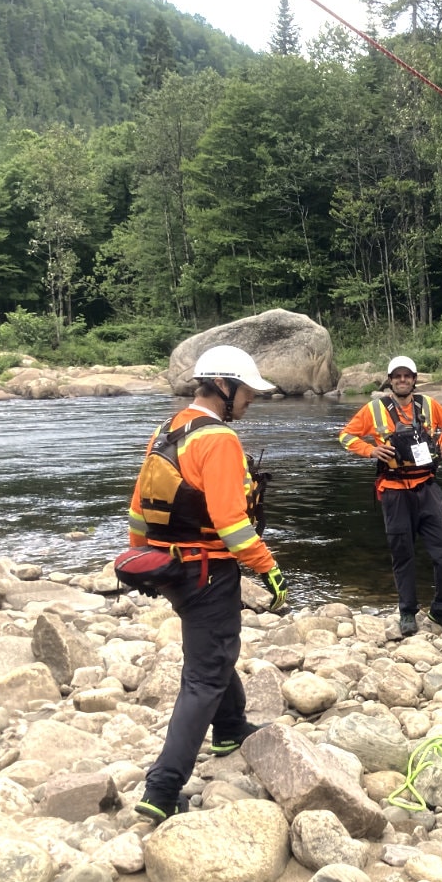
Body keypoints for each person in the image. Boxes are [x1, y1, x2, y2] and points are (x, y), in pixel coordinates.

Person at [128, 344, 286, 822]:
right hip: (208, 570)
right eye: (248, 393)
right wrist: (267, 568)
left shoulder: (167, 430)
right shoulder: (218, 440)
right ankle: (161, 787)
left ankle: (231, 727)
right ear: (223, 386)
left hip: (170, 566)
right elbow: (231, 522)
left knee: (214, 651)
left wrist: (142, 556)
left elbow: (140, 506)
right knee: (204, 675)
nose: (251, 401)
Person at [339, 356, 442, 635]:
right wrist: (370, 450)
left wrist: (440, 448)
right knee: (402, 552)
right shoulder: (374, 409)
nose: (402, 380)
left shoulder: (428, 405)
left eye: (407, 376)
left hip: (427, 488)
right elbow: (346, 436)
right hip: (394, 492)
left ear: (415, 379)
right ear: (390, 380)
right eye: (397, 376)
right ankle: (407, 612)